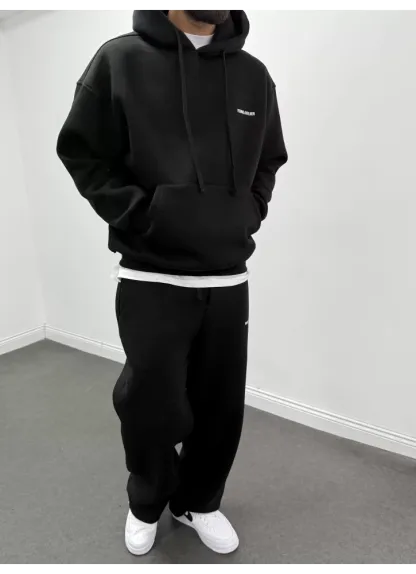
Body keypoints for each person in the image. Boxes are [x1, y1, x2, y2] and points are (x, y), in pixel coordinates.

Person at [57, 9, 287, 556]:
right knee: (151, 405)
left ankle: (197, 501)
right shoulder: (120, 60)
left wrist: (247, 212)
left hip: (228, 279)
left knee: (220, 407)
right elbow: (82, 152)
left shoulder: (253, 75)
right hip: (151, 273)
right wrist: (144, 216)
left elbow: (269, 160)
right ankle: (147, 500)